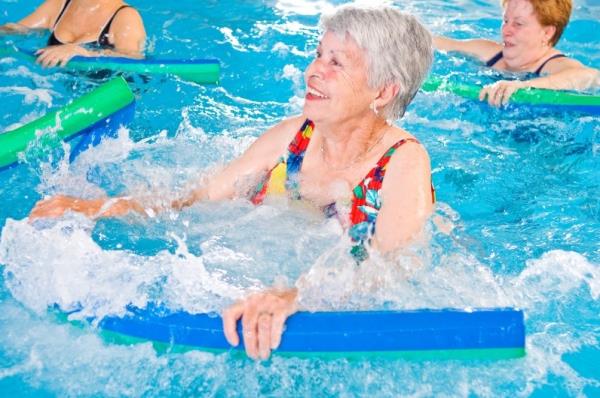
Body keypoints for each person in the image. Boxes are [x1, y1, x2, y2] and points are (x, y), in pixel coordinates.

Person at [28, 6, 434, 359]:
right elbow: (195, 199)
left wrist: (300, 295)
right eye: (317, 55)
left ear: (383, 91)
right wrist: (99, 208)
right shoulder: (295, 137)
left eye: (336, 63)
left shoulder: (403, 163)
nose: (313, 71)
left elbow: (386, 272)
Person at [434, 0, 599, 106]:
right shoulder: (490, 53)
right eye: (505, 21)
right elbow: (439, 43)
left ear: (547, 33)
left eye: (518, 24)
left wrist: (523, 86)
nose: (506, 30)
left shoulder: (554, 65)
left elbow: (591, 76)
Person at [0, 0, 145, 67]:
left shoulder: (126, 16)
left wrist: (82, 51)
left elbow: (133, 59)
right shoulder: (60, 4)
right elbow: (19, 29)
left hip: (104, 95)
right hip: (53, 92)